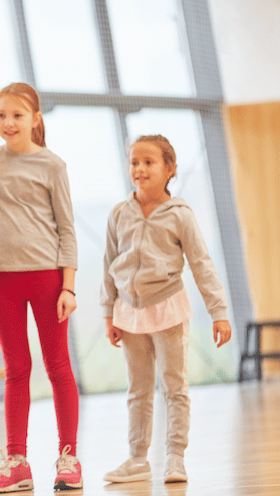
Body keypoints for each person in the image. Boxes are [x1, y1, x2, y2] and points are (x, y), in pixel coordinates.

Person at [0, 83, 81, 492]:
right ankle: (17, 462)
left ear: (35, 119)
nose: (8, 123)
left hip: (48, 279)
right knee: (16, 370)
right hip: (2, 279)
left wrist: (69, 287)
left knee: (58, 366)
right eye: (1, 116)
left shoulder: (53, 165)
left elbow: (67, 228)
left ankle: (68, 458)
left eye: (17, 115)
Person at [101, 135, 232, 484]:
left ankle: (175, 457)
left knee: (174, 387)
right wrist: (108, 313)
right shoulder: (118, 214)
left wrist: (218, 311)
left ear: (169, 168)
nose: (140, 169)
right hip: (128, 313)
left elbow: (201, 263)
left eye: (149, 162)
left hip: (168, 308)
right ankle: (137, 459)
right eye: (134, 162)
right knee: (138, 390)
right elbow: (108, 265)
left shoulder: (181, 215)